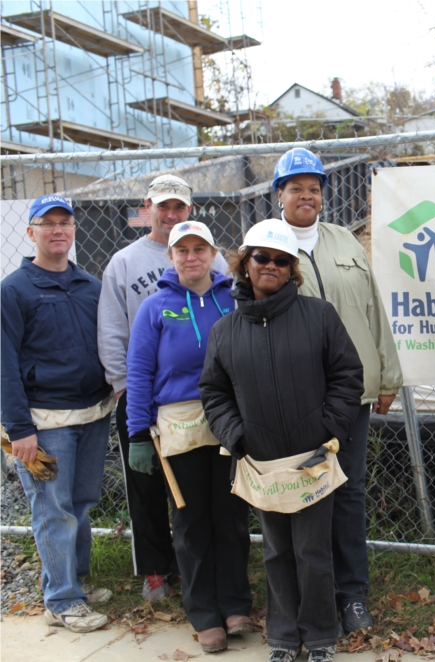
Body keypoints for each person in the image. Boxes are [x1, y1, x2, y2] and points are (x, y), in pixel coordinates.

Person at [199, 218, 364, 662]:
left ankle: (322, 637)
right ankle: (285, 639)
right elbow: (213, 392)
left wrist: (329, 428)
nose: (270, 265)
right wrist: (237, 437)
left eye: (281, 260)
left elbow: (348, 375)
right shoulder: (225, 332)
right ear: (244, 265)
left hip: (312, 459)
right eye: (261, 257)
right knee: (276, 551)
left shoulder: (319, 317)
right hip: (262, 463)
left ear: (292, 269)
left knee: (313, 549)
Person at [272, 148, 402, 633]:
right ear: (279, 194)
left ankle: (352, 595)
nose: (307, 196)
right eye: (296, 188)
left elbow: (373, 309)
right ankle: (311, 597)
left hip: (354, 395)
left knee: (349, 493)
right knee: (305, 495)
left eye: (314, 188)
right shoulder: (269, 245)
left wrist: (387, 376)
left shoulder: (345, 239)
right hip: (297, 399)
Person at [97, 174, 227, 603]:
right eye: (163, 207)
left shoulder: (216, 260)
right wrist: (125, 392)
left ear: (190, 210)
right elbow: (113, 331)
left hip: (202, 402)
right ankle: (155, 571)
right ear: (147, 207)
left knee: (197, 496)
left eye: (179, 207)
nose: (171, 215)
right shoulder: (124, 262)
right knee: (147, 487)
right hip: (141, 396)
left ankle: (210, 577)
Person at [125, 221, 251, 654]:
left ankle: (236, 603)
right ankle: (203, 612)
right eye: (183, 250)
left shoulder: (234, 299)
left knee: (231, 516)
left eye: (200, 248)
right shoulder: (155, 307)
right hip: (178, 426)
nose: (191, 257)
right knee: (191, 519)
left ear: (213, 253)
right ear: (171, 257)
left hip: (228, 420)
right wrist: (138, 433)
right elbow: (139, 373)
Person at [1, 195, 115, 632]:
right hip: (44, 423)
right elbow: (4, 363)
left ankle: (74, 583)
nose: (58, 230)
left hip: (91, 414)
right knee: (54, 510)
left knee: (80, 504)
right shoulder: (14, 290)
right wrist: (18, 429)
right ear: (31, 232)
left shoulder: (89, 285)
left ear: (73, 230)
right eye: (47, 223)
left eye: (64, 222)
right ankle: (61, 600)